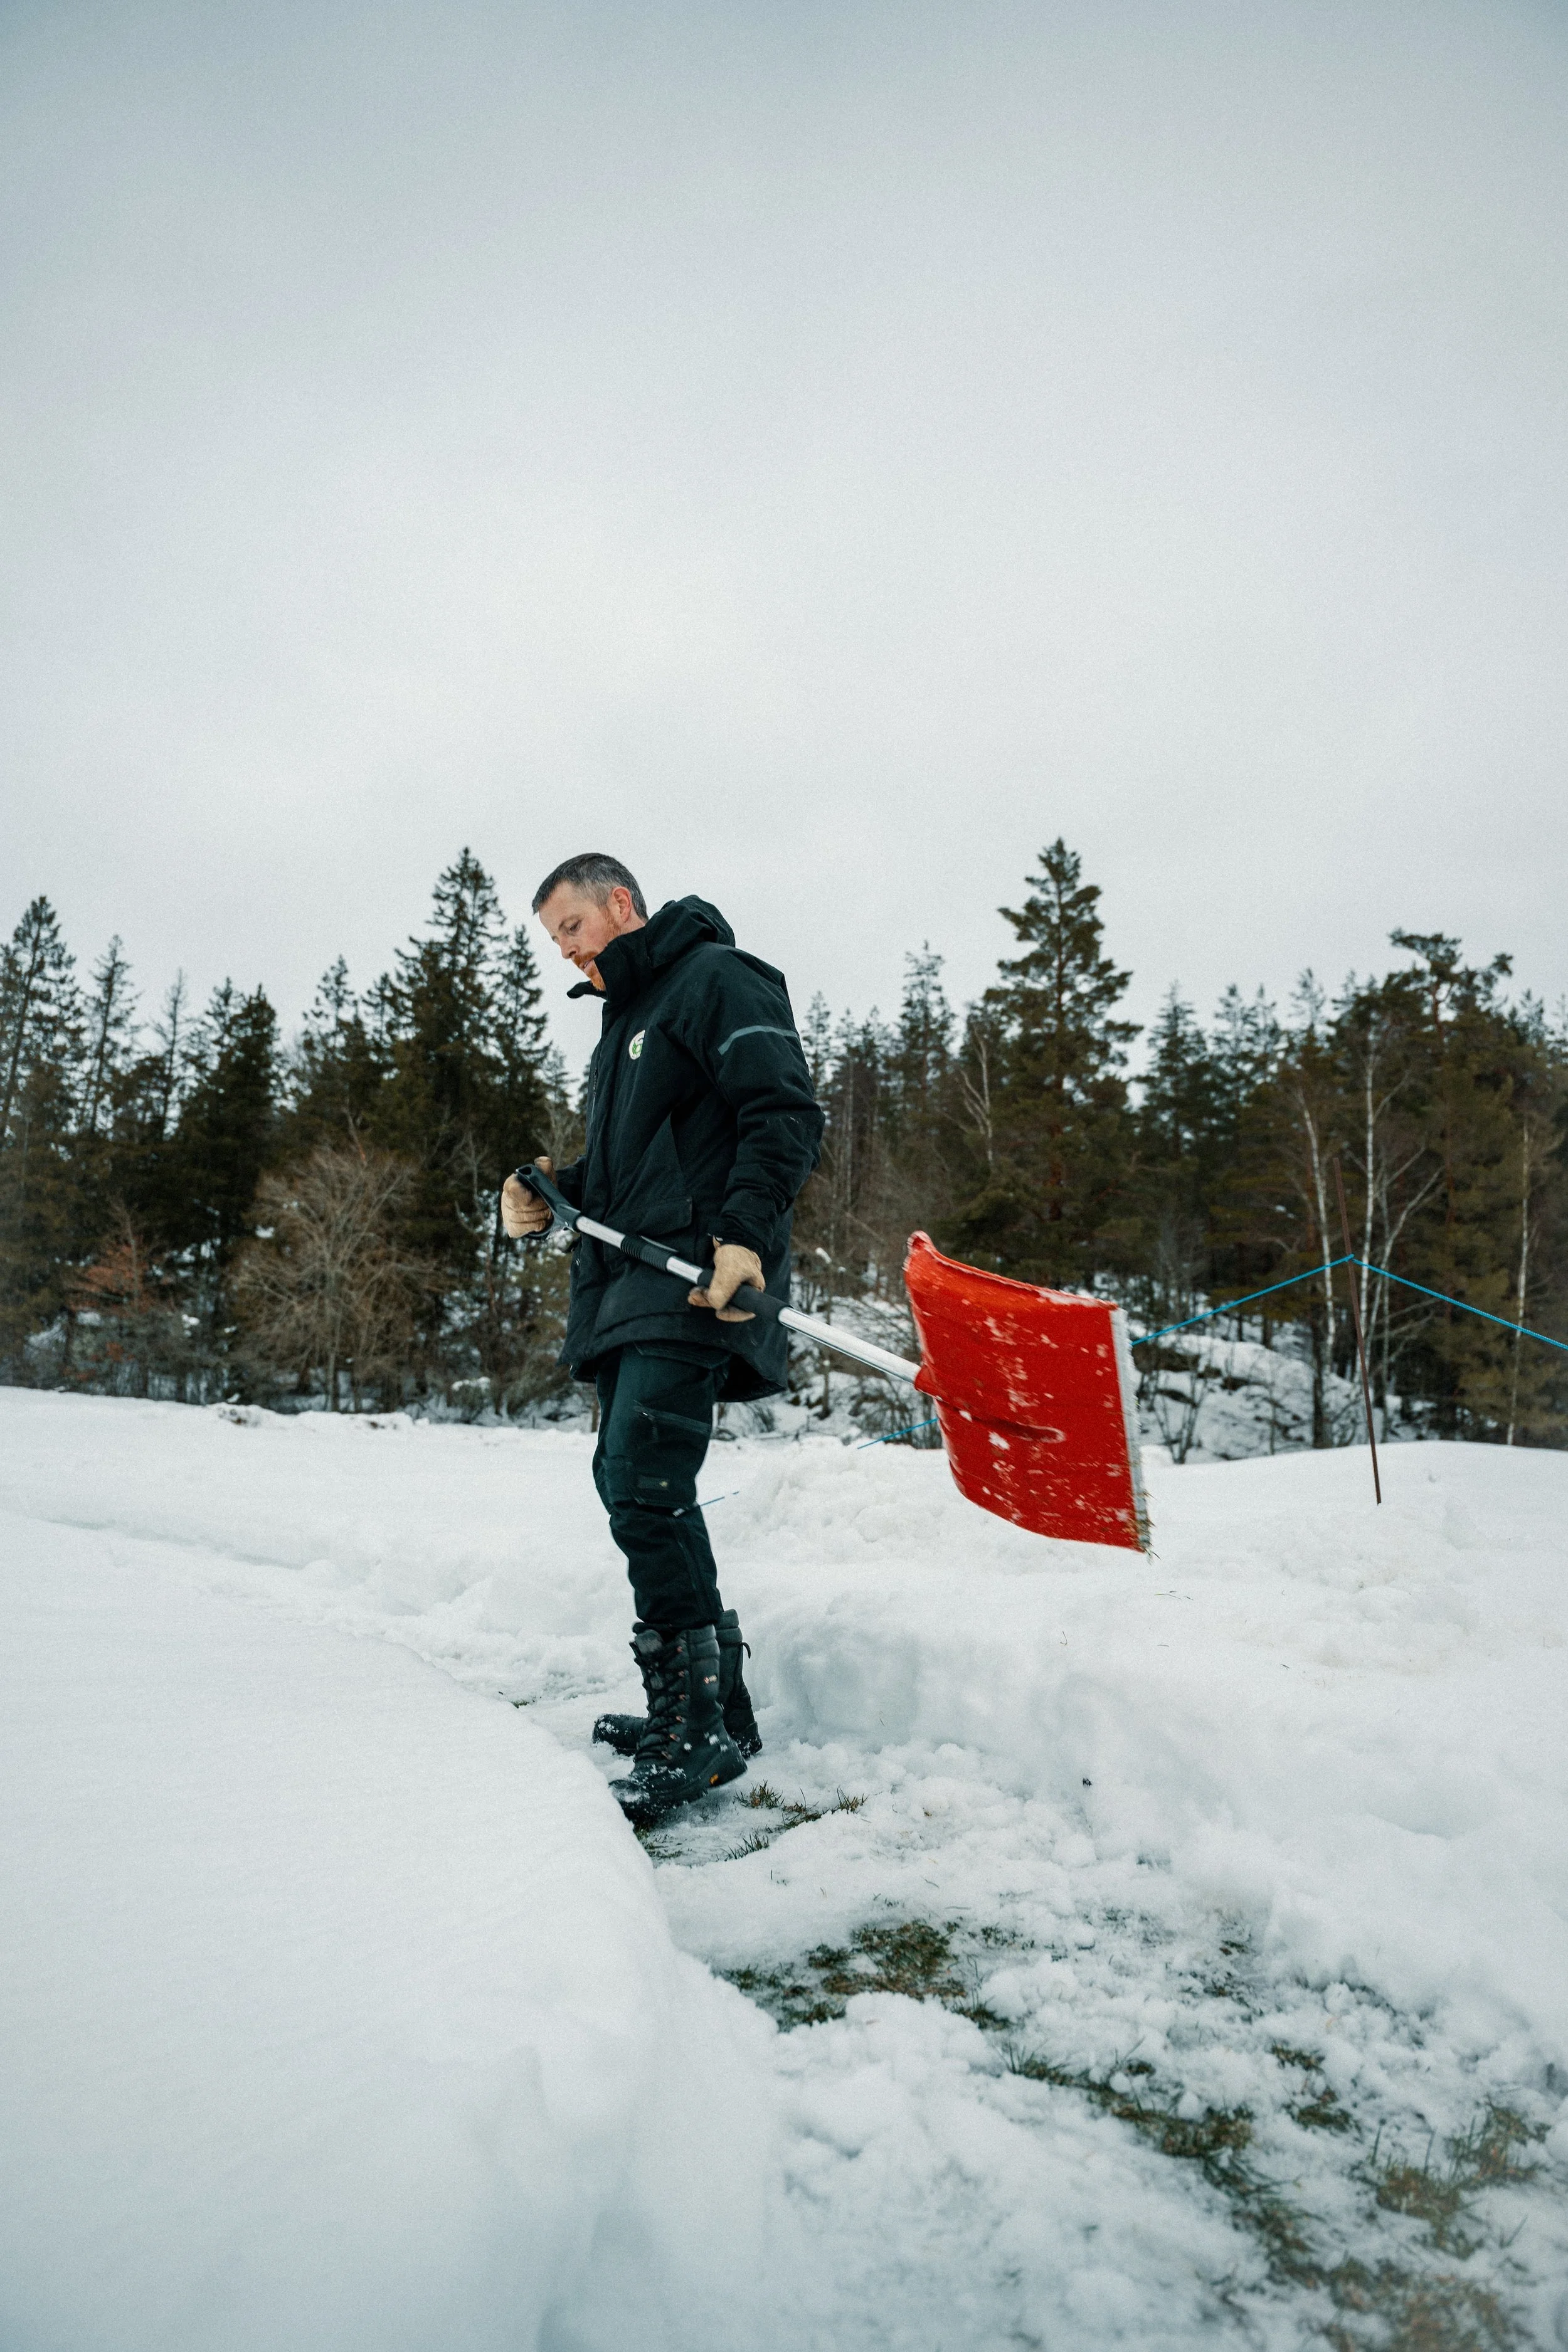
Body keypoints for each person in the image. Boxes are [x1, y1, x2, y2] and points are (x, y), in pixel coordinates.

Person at [502, 853, 824, 1825]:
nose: (565, 950)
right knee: (635, 1483)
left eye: (571, 926)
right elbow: (628, 1177)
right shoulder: (625, 1027)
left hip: (697, 1277)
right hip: (631, 1286)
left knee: (641, 1481)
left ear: (621, 904)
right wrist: (549, 1189)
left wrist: (745, 1237)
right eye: (553, 938)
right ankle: (716, 1709)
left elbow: (783, 1111)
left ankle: (697, 1729)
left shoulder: (717, 977)